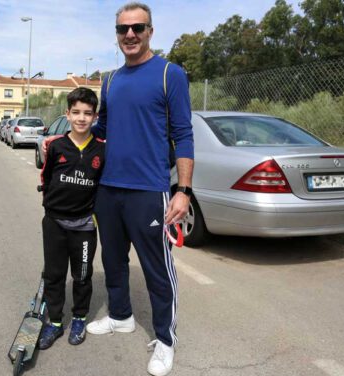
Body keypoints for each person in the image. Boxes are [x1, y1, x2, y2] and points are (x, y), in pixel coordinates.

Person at [85, 3, 194, 376]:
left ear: (150, 31)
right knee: (113, 260)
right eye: (122, 29)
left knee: (156, 268)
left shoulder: (170, 75)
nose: (129, 35)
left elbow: (183, 135)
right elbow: (101, 130)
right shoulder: (111, 80)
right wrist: (67, 139)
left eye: (137, 27)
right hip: (109, 189)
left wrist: (183, 191)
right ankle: (120, 315)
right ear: (116, 35)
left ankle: (165, 339)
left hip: (149, 190)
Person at [37, 87, 105, 350]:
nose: (81, 118)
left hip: (85, 226)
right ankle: (54, 322)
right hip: (54, 223)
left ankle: (79, 317)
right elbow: (46, 177)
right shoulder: (55, 146)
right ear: (67, 113)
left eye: (87, 113)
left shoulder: (101, 150)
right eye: (76, 112)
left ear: (95, 117)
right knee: (54, 274)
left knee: (82, 276)